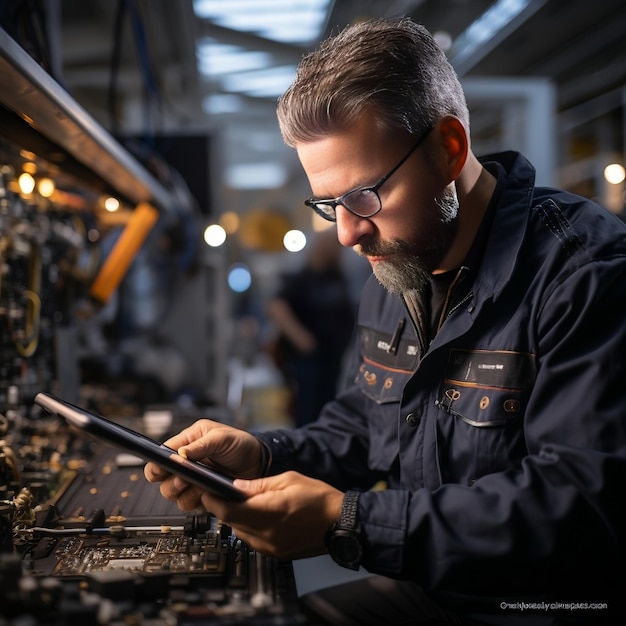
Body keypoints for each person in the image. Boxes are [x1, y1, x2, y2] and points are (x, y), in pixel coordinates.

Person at [145, 17, 626, 625]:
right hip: (434, 588)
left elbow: (580, 505)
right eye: (327, 205)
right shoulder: (399, 264)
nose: (346, 232)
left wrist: (347, 521)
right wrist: (264, 456)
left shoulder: (587, 273)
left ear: (448, 149)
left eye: (362, 197)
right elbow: (364, 426)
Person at [267, 229, 356, 426]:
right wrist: (302, 339)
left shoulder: (336, 276)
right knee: (308, 412)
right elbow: (276, 306)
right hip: (310, 360)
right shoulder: (305, 278)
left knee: (327, 409)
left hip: (332, 357)